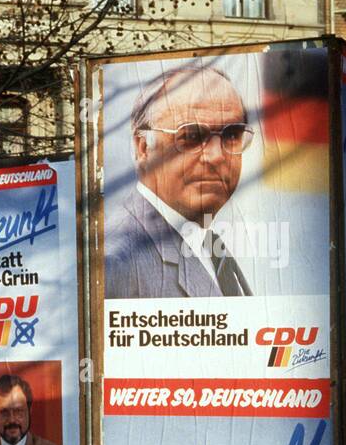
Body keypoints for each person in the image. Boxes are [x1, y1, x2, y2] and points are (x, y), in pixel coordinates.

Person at [105, 63, 255, 299]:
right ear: (143, 148)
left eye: (232, 135)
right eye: (192, 136)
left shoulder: (209, 243)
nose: (216, 156)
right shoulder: (116, 260)